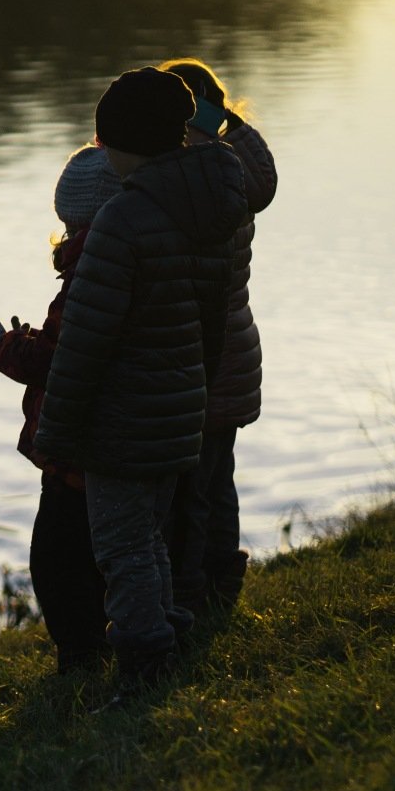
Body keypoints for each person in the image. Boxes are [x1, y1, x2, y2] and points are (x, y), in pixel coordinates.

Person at [32, 67, 251, 694]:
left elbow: (85, 344)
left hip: (123, 418)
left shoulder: (122, 222)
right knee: (156, 538)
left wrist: (59, 430)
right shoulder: (212, 205)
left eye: (111, 149)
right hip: (184, 406)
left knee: (125, 546)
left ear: (124, 145)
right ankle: (172, 629)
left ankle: (145, 665)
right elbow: (213, 319)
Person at [0, 145, 120, 673]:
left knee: (59, 564)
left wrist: (10, 350)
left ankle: (82, 661)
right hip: (98, 446)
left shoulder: (92, 271)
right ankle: (95, 650)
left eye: (68, 222)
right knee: (99, 556)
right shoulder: (116, 261)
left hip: (77, 451)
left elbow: (66, 361)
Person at [155, 57, 278, 615]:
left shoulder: (194, 184)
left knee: (190, 489)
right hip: (235, 350)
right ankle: (219, 585)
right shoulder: (234, 178)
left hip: (201, 358)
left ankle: (193, 592)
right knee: (215, 480)